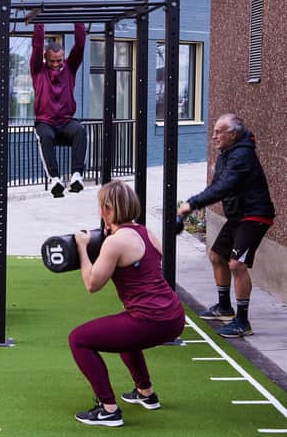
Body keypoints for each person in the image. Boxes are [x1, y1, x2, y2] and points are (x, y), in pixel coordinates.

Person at [68, 180, 185, 428]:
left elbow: (92, 284)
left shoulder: (116, 242)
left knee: (78, 339)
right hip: (174, 317)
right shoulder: (146, 232)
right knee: (124, 333)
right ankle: (146, 393)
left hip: (151, 320)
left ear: (108, 209)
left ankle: (108, 409)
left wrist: (82, 248)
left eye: (101, 207)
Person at [177, 113, 274, 338]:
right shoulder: (226, 154)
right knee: (216, 256)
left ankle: (242, 321)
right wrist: (195, 204)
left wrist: (190, 204)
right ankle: (224, 307)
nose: (214, 136)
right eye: (214, 131)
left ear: (233, 134)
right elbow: (217, 185)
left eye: (219, 132)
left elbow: (224, 187)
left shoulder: (242, 156)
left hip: (255, 214)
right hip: (238, 215)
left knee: (237, 265)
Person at [31, 22, 87, 197]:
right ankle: (55, 179)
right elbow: (37, 45)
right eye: (52, 61)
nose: (56, 64)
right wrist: (38, 21)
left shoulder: (70, 68)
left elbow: (80, 45)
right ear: (45, 59)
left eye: (59, 60)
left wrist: (78, 20)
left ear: (64, 58)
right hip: (45, 122)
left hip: (65, 122)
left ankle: (76, 176)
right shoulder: (38, 70)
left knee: (80, 131)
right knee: (45, 136)